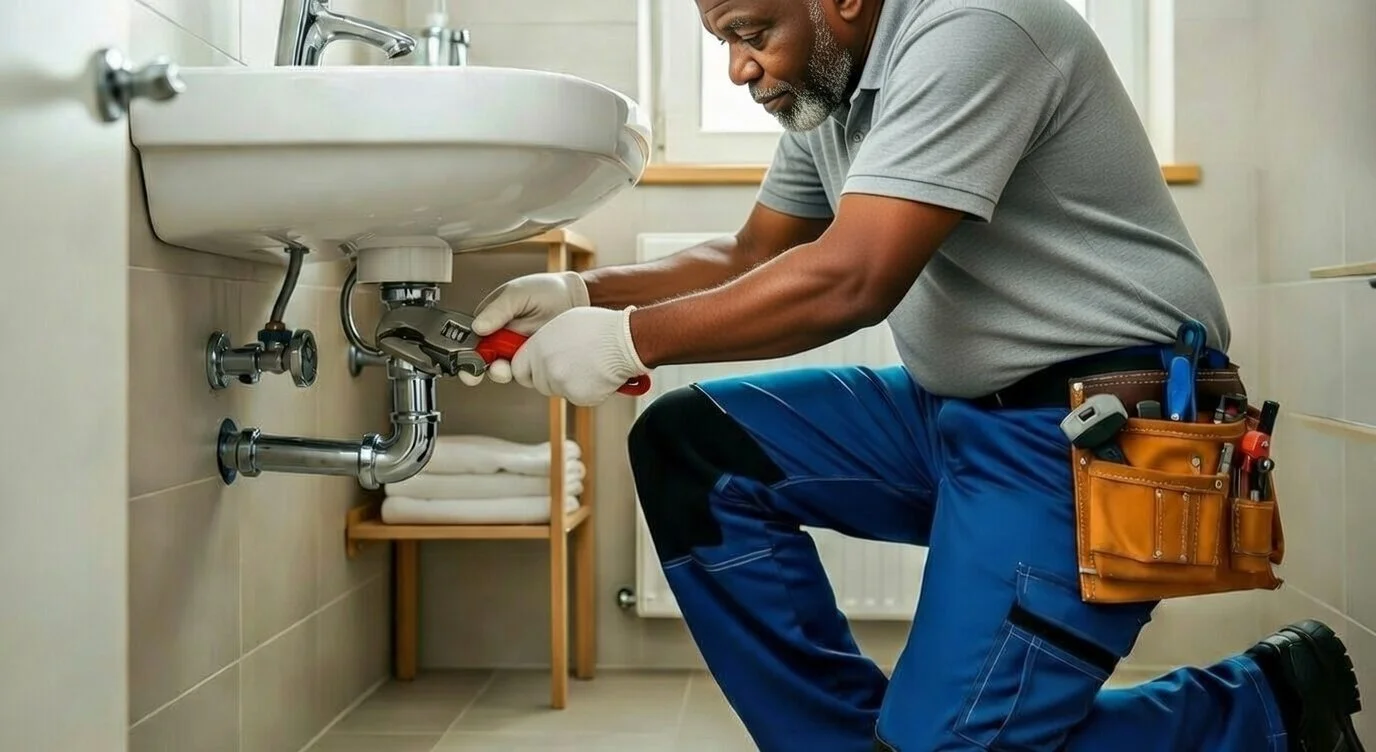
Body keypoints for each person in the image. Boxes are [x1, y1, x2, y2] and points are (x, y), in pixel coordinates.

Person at [459, 0, 1367, 749]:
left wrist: (628, 341)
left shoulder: (977, 27)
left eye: (750, 32)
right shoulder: (833, 92)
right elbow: (749, 250)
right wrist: (583, 287)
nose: (739, 68)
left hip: (1098, 436)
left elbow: (853, 276)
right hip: (953, 415)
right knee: (694, 449)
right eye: (724, 41)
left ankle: (1265, 707)